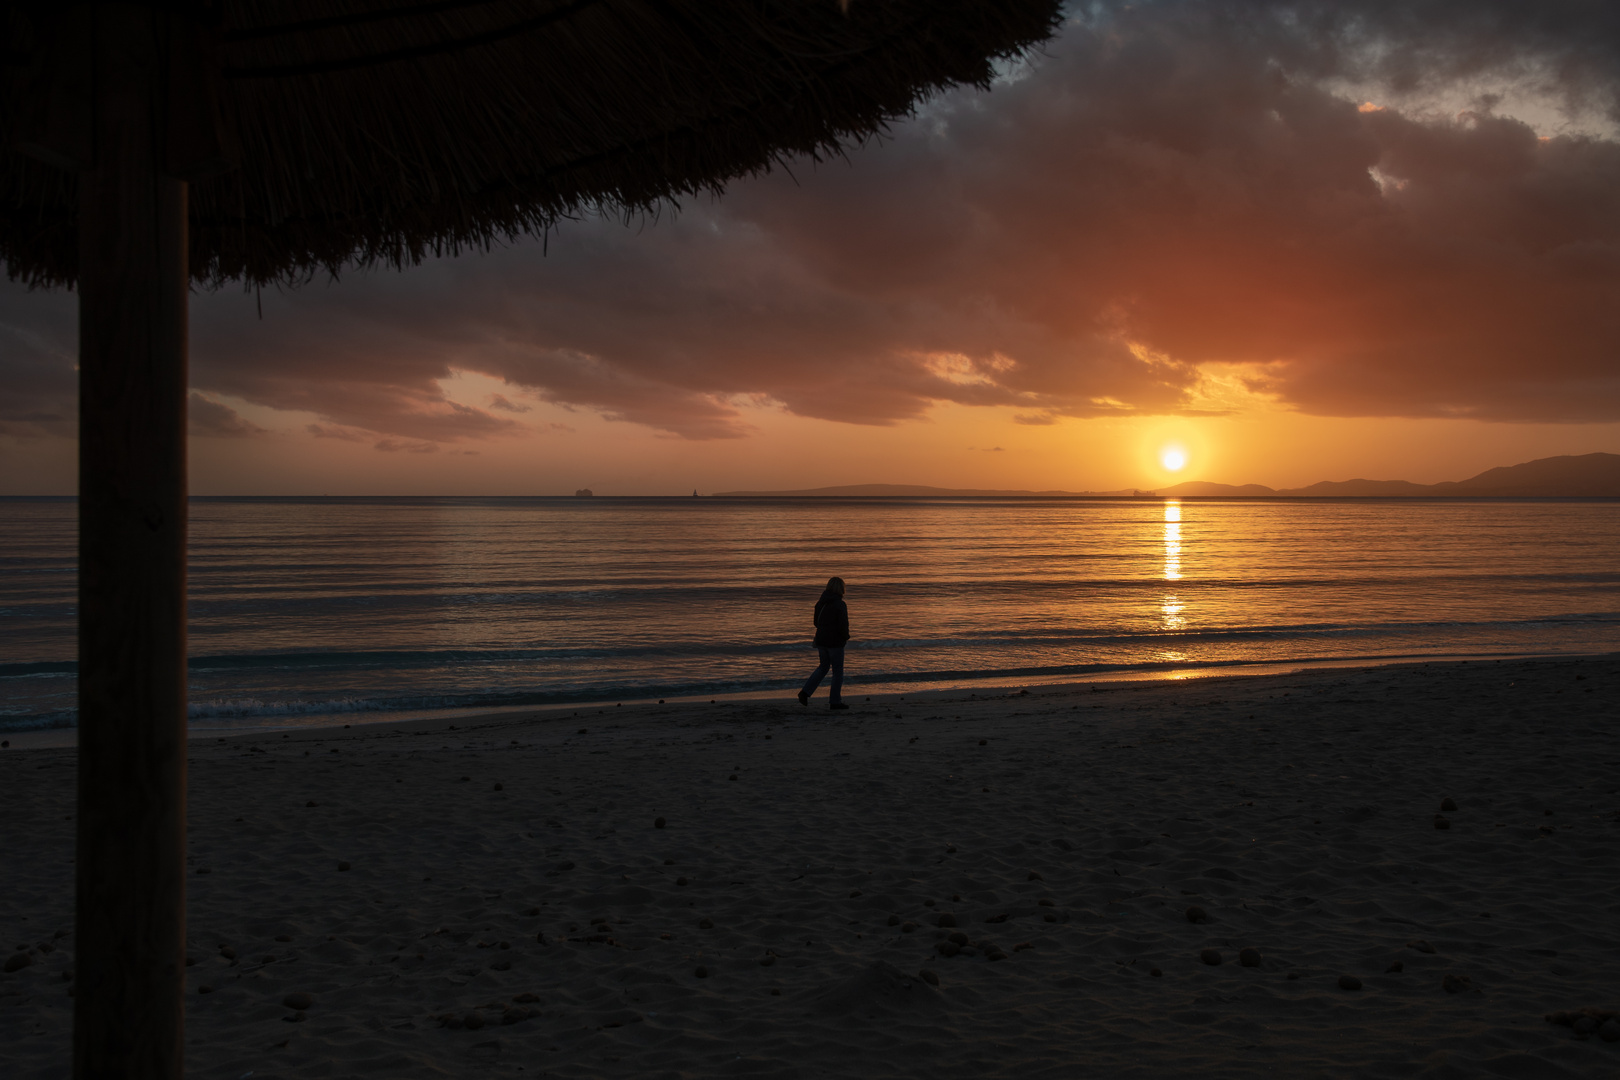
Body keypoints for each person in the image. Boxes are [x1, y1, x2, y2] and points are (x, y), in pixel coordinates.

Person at [798, 576, 850, 710]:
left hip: (821, 640)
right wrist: (845, 637)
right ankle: (835, 701)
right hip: (835, 642)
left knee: (823, 667)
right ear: (841, 589)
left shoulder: (820, 603)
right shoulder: (840, 604)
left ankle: (805, 692)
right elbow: (843, 625)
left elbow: (816, 622)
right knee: (837, 672)